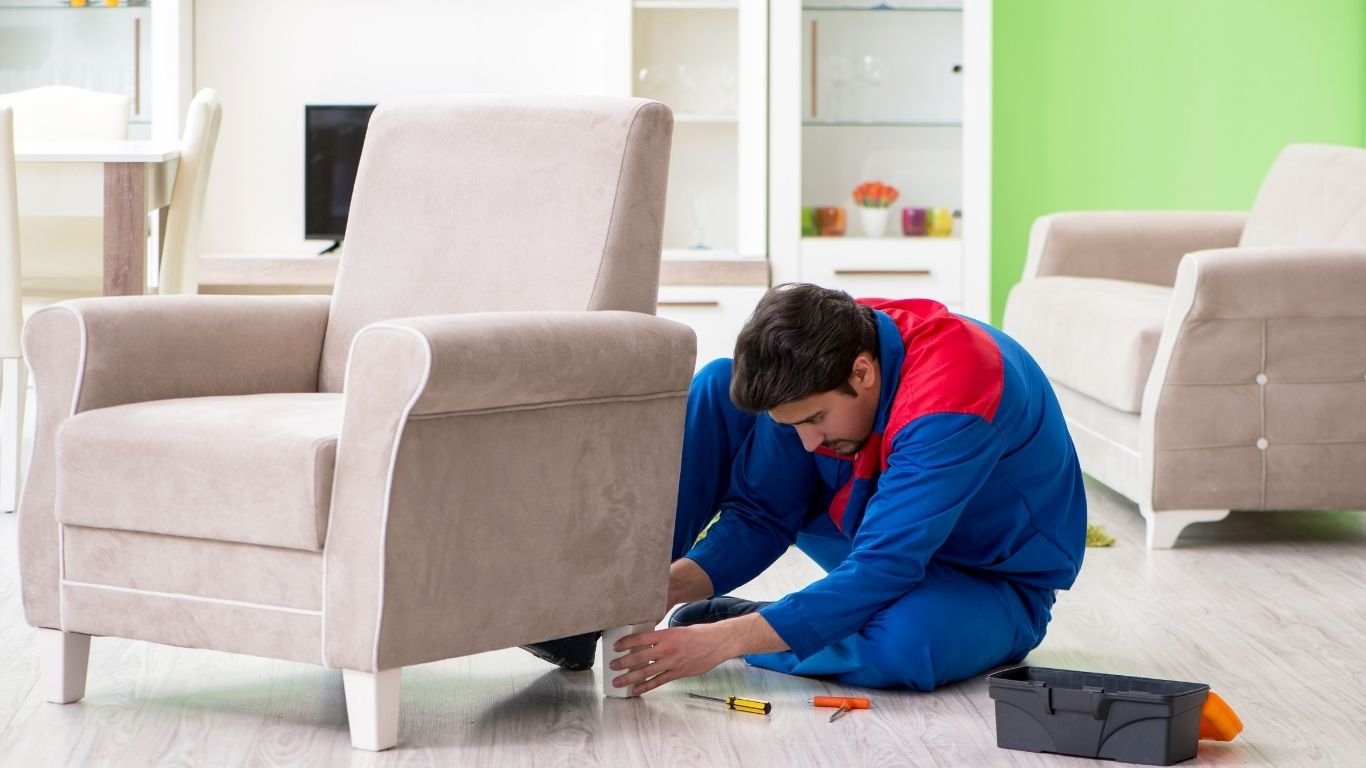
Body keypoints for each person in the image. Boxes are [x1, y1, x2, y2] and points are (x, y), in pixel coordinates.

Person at [604, 283, 1087, 695]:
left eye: (816, 418)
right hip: (872, 531)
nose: (809, 443)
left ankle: (772, 624)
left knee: (905, 645)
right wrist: (663, 588)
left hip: (986, 579)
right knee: (717, 384)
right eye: (796, 425)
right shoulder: (825, 348)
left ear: (862, 372)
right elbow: (764, 515)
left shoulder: (953, 395)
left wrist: (726, 641)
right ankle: (612, 599)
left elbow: (884, 566)